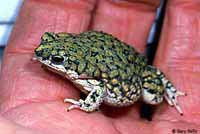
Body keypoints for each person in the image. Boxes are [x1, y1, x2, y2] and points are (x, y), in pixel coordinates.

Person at [0, 0, 199, 133]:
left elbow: (100, 88)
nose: (40, 51)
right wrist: (48, 60)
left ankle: (169, 89)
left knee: (153, 97)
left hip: (133, 74)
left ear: (76, 68)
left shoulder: (88, 74)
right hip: (110, 56)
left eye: (57, 60)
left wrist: (85, 105)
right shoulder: (75, 59)